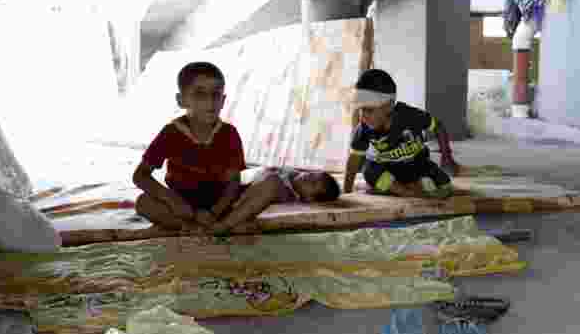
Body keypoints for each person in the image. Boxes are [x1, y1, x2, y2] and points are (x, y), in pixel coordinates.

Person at [133, 61, 340, 233]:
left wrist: (215, 213)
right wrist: (171, 199)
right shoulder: (170, 133)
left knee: (272, 183)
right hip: (183, 206)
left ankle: (222, 226)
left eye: (216, 94)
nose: (210, 101)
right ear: (181, 100)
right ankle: (191, 226)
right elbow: (140, 176)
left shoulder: (229, 134)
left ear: (223, 100)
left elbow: (233, 182)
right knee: (143, 203)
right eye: (199, 93)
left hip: (225, 204)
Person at [343, 69, 461, 199]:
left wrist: (447, 156)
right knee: (369, 171)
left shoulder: (409, 116)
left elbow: (438, 126)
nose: (363, 116)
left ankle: (397, 188)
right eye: (360, 110)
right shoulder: (363, 129)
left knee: (444, 185)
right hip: (389, 169)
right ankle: (406, 191)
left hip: (417, 164)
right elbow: (353, 161)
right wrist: (346, 193)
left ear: (389, 105)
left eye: (369, 110)